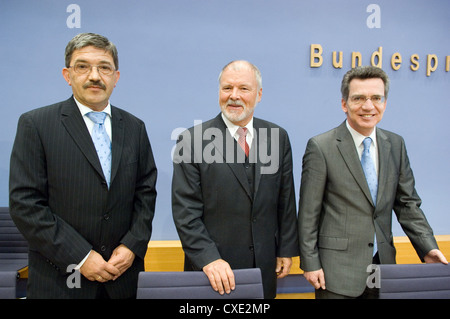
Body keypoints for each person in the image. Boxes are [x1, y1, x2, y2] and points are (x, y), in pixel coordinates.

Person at [9, 33, 157, 299]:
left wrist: (132, 246)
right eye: (83, 66)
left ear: (116, 77)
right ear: (67, 75)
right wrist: (80, 255)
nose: (94, 76)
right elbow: (26, 204)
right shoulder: (36, 124)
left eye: (104, 67)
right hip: (61, 280)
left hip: (122, 278)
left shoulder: (135, 127)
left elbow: (145, 193)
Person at [298, 65, 448, 299]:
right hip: (335, 272)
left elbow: (408, 205)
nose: (368, 106)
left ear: (385, 103)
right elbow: (308, 212)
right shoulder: (321, 147)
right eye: (358, 98)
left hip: (382, 267)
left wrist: (428, 246)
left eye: (376, 98)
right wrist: (310, 262)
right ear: (344, 104)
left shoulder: (395, 145)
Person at [171, 60, 298, 299]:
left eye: (244, 89)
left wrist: (285, 249)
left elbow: (286, 199)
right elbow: (185, 212)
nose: (234, 96)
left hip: (264, 269)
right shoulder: (191, 141)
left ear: (259, 94)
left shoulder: (277, 137)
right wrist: (210, 259)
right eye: (227, 88)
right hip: (212, 273)